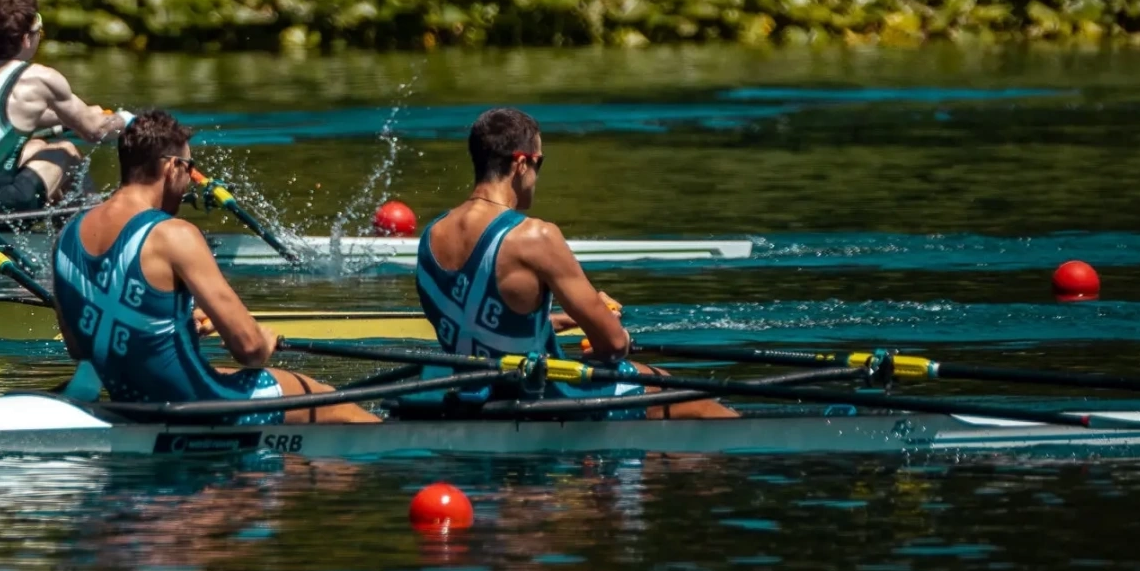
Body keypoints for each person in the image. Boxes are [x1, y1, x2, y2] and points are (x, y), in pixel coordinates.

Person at [53, 110, 377, 423]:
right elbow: (248, 349)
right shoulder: (173, 235)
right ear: (173, 167)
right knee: (333, 402)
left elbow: (80, 346)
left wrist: (170, 322)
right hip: (199, 407)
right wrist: (264, 341)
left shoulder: (67, 236)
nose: (190, 184)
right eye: (190, 168)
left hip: (131, 401)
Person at [416, 107, 734, 418]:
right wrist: (613, 333)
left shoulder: (430, 237)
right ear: (521, 163)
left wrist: (573, 318)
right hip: (539, 397)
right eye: (540, 163)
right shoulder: (536, 237)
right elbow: (611, 346)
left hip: (466, 391)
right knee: (685, 394)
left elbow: (485, 325)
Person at [0, 0, 131, 210]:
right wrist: (127, 120)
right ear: (26, 38)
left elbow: (7, 119)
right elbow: (95, 132)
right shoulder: (39, 78)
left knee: (37, 145)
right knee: (66, 151)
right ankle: (93, 231)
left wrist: (69, 119)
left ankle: (65, 226)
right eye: (39, 32)